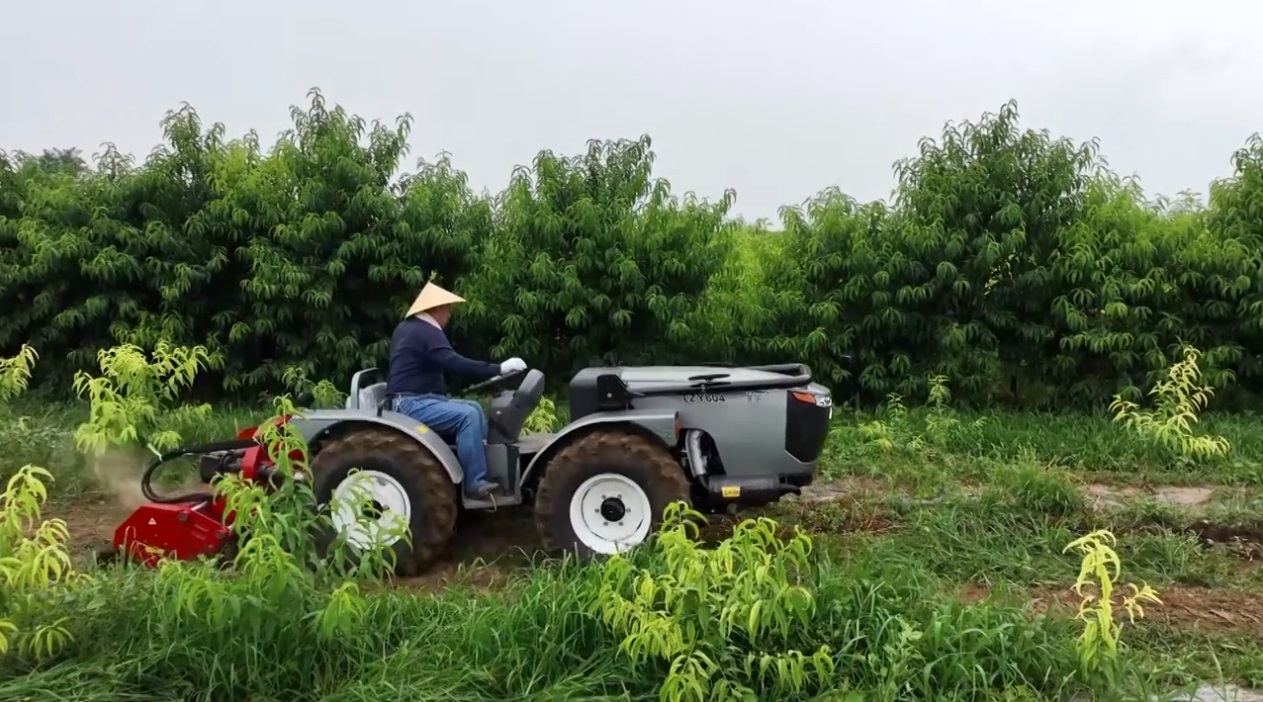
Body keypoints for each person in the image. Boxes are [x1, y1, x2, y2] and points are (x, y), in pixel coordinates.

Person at [386, 281, 527, 498]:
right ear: (435, 309)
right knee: (468, 416)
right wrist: (498, 368)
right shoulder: (425, 331)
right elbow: (454, 363)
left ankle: (478, 470)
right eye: (447, 309)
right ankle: (475, 483)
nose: (449, 314)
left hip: (418, 399)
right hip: (411, 403)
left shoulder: (410, 328)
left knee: (474, 408)